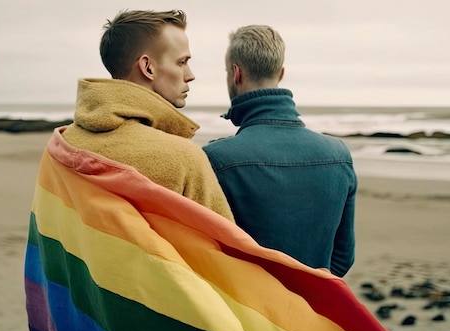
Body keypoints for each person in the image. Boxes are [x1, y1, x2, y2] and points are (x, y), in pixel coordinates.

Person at [202, 25, 357, 277]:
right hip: (310, 309)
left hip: (246, 310)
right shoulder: (339, 155)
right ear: (281, 73)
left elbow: (209, 256)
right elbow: (342, 259)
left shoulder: (217, 159)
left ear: (235, 73)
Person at [60, 9, 234, 221]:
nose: (190, 75)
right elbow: (223, 250)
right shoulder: (183, 159)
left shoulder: (62, 147)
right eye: (181, 62)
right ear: (148, 67)